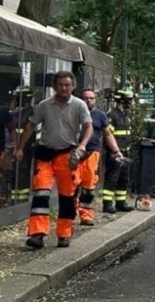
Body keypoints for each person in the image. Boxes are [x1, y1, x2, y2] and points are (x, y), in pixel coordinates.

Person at [13, 71, 92, 249]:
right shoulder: (44, 105)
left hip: (67, 155)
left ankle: (64, 234)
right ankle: (37, 234)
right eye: (60, 85)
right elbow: (31, 125)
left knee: (67, 197)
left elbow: (88, 127)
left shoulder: (79, 105)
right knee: (41, 193)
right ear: (54, 86)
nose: (63, 88)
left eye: (67, 85)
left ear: (73, 86)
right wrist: (19, 148)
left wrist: (82, 145)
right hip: (45, 154)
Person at [76, 88, 123, 226]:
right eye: (86, 98)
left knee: (89, 187)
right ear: (80, 99)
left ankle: (85, 216)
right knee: (71, 186)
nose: (89, 100)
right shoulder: (73, 112)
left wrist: (116, 151)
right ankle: (69, 214)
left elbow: (108, 135)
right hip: (73, 154)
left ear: (95, 100)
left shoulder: (100, 115)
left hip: (92, 154)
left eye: (91, 98)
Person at [103, 90, 135, 213]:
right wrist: (114, 151)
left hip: (125, 152)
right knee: (112, 178)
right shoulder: (112, 115)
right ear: (122, 101)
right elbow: (108, 135)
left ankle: (121, 203)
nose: (131, 103)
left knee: (124, 179)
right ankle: (107, 204)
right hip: (115, 153)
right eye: (130, 100)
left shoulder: (125, 115)